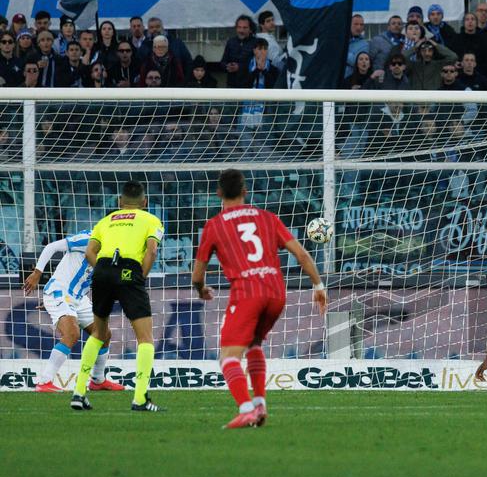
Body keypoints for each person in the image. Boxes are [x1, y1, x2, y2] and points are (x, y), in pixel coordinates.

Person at [192, 169, 326, 428]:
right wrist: (318, 285)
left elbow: (197, 274)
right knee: (253, 344)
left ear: (218, 193)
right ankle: (260, 404)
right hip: (276, 292)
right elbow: (302, 255)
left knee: (228, 357)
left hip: (248, 292)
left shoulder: (214, 225)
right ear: (245, 191)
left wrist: (201, 290)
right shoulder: (267, 218)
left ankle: (245, 409)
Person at [73, 181, 164, 412]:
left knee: (99, 333)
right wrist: (138, 277)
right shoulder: (150, 219)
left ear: (119, 202)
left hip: (102, 270)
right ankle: (140, 398)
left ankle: (78, 392)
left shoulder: (105, 221)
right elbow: (152, 250)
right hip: (129, 270)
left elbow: (89, 252)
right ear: (144, 202)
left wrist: (104, 271)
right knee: (145, 338)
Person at [22, 229, 125, 394]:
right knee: (72, 334)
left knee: (104, 334)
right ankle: (44, 381)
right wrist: (37, 273)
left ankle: (98, 381)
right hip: (60, 291)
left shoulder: (115, 251)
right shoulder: (88, 239)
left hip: (78, 298)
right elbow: (52, 246)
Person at [222, 15, 256, 87]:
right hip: (232, 86)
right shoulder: (231, 42)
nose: (241, 30)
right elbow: (223, 62)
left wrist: (239, 67)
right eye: (239, 27)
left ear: (250, 29)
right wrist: (227, 66)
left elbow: (257, 65)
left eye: (245, 28)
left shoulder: (255, 43)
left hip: (249, 86)